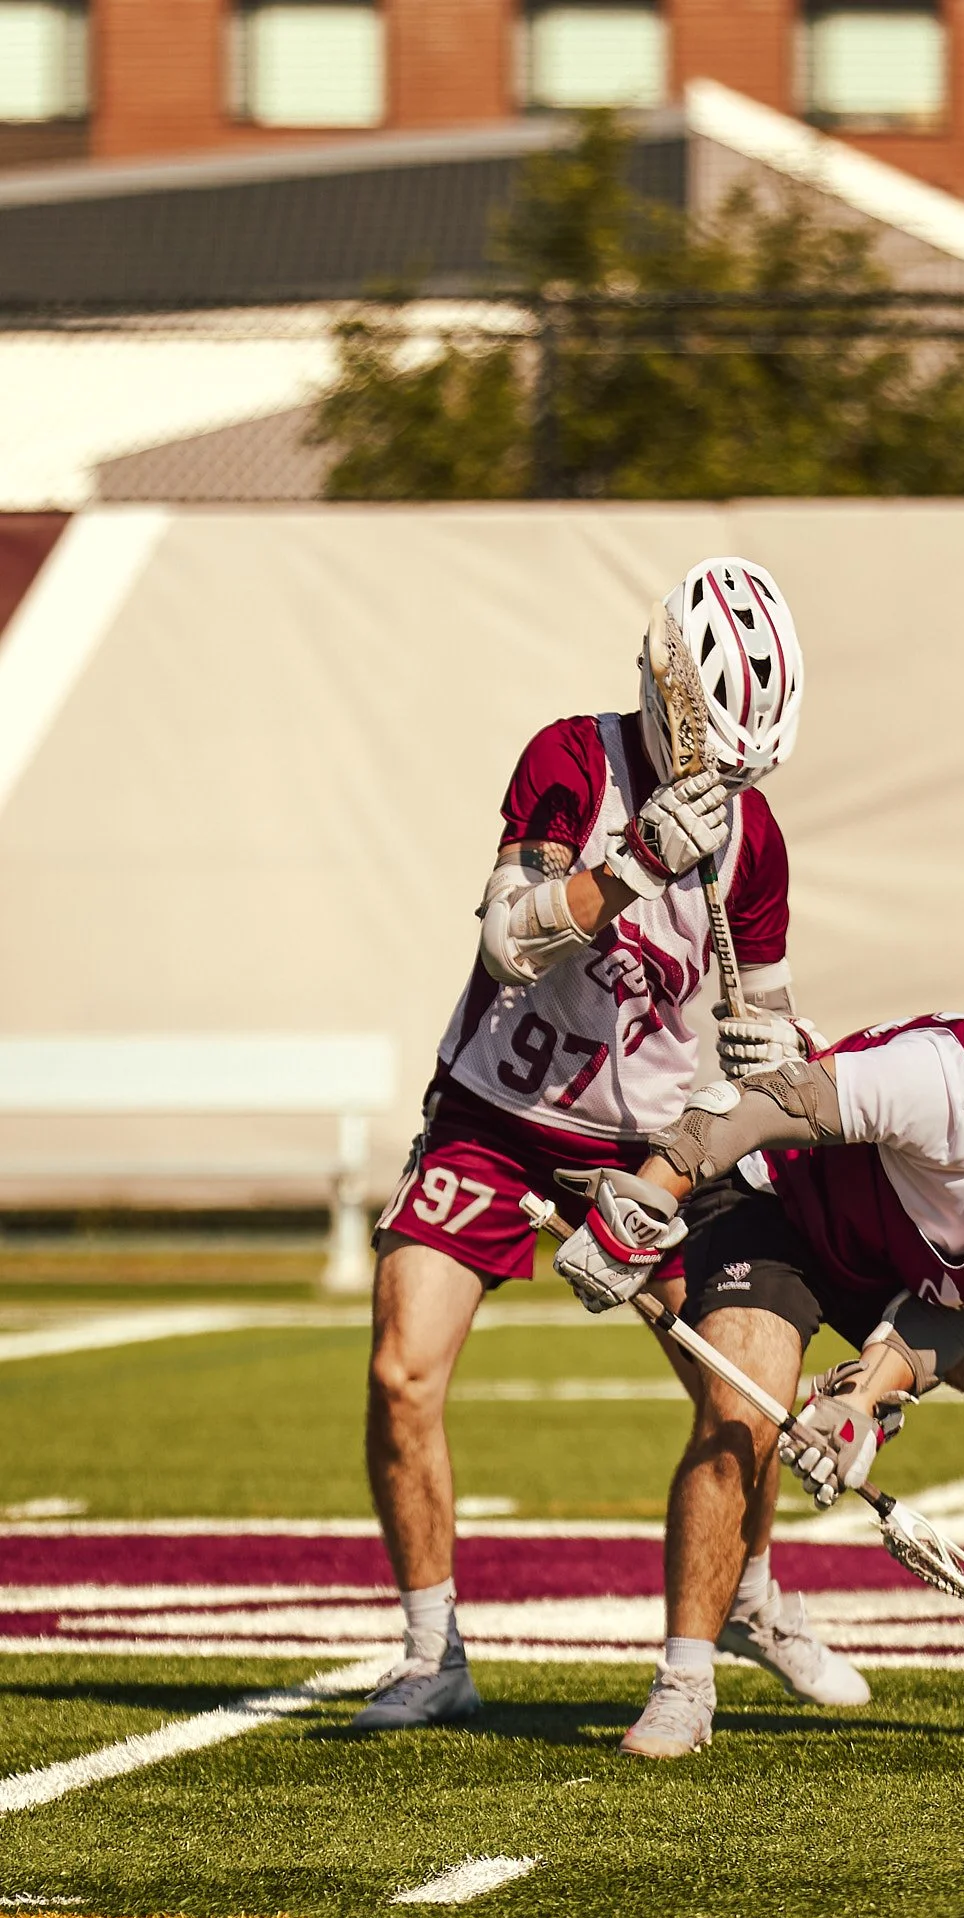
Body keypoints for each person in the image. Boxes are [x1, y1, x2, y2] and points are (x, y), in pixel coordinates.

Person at [355, 558, 868, 1730]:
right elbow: (507, 940)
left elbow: (765, 1020)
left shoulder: (755, 839)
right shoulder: (572, 760)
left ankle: (748, 1596)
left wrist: (786, 1056)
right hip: (496, 1116)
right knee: (400, 1369)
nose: (726, 780)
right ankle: (433, 1652)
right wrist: (634, 864)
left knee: (745, 1384)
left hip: (650, 1145)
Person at [553, 1012, 964, 1758]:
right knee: (741, 1414)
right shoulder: (947, 1086)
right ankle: (685, 1682)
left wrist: (863, 1401)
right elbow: (747, 1109)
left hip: (901, 1263)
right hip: (776, 1210)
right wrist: (639, 1208)